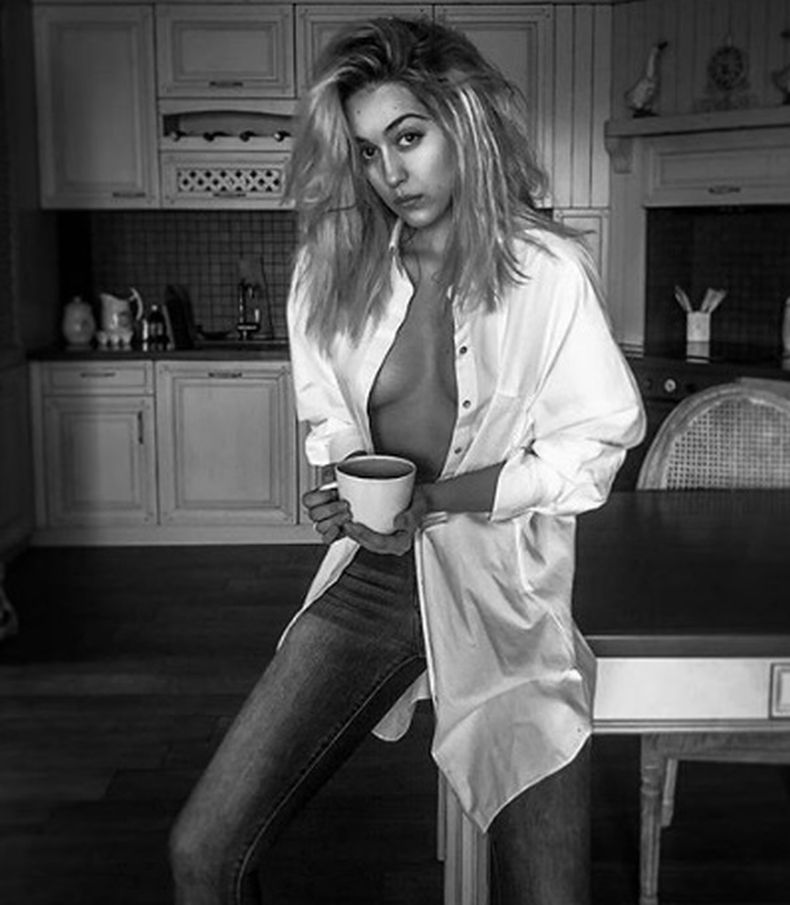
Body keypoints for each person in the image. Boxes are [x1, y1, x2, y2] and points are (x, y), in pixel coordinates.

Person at [170, 16, 645, 905]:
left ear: (463, 124)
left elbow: (595, 442)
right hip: (376, 580)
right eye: (367, 149)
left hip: (504, 593)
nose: (390, 172)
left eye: (409, 136)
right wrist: (348, 493)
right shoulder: (331, 267)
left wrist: (439, 497)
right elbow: (331, 421)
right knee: (203, 850)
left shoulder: (546, 272)